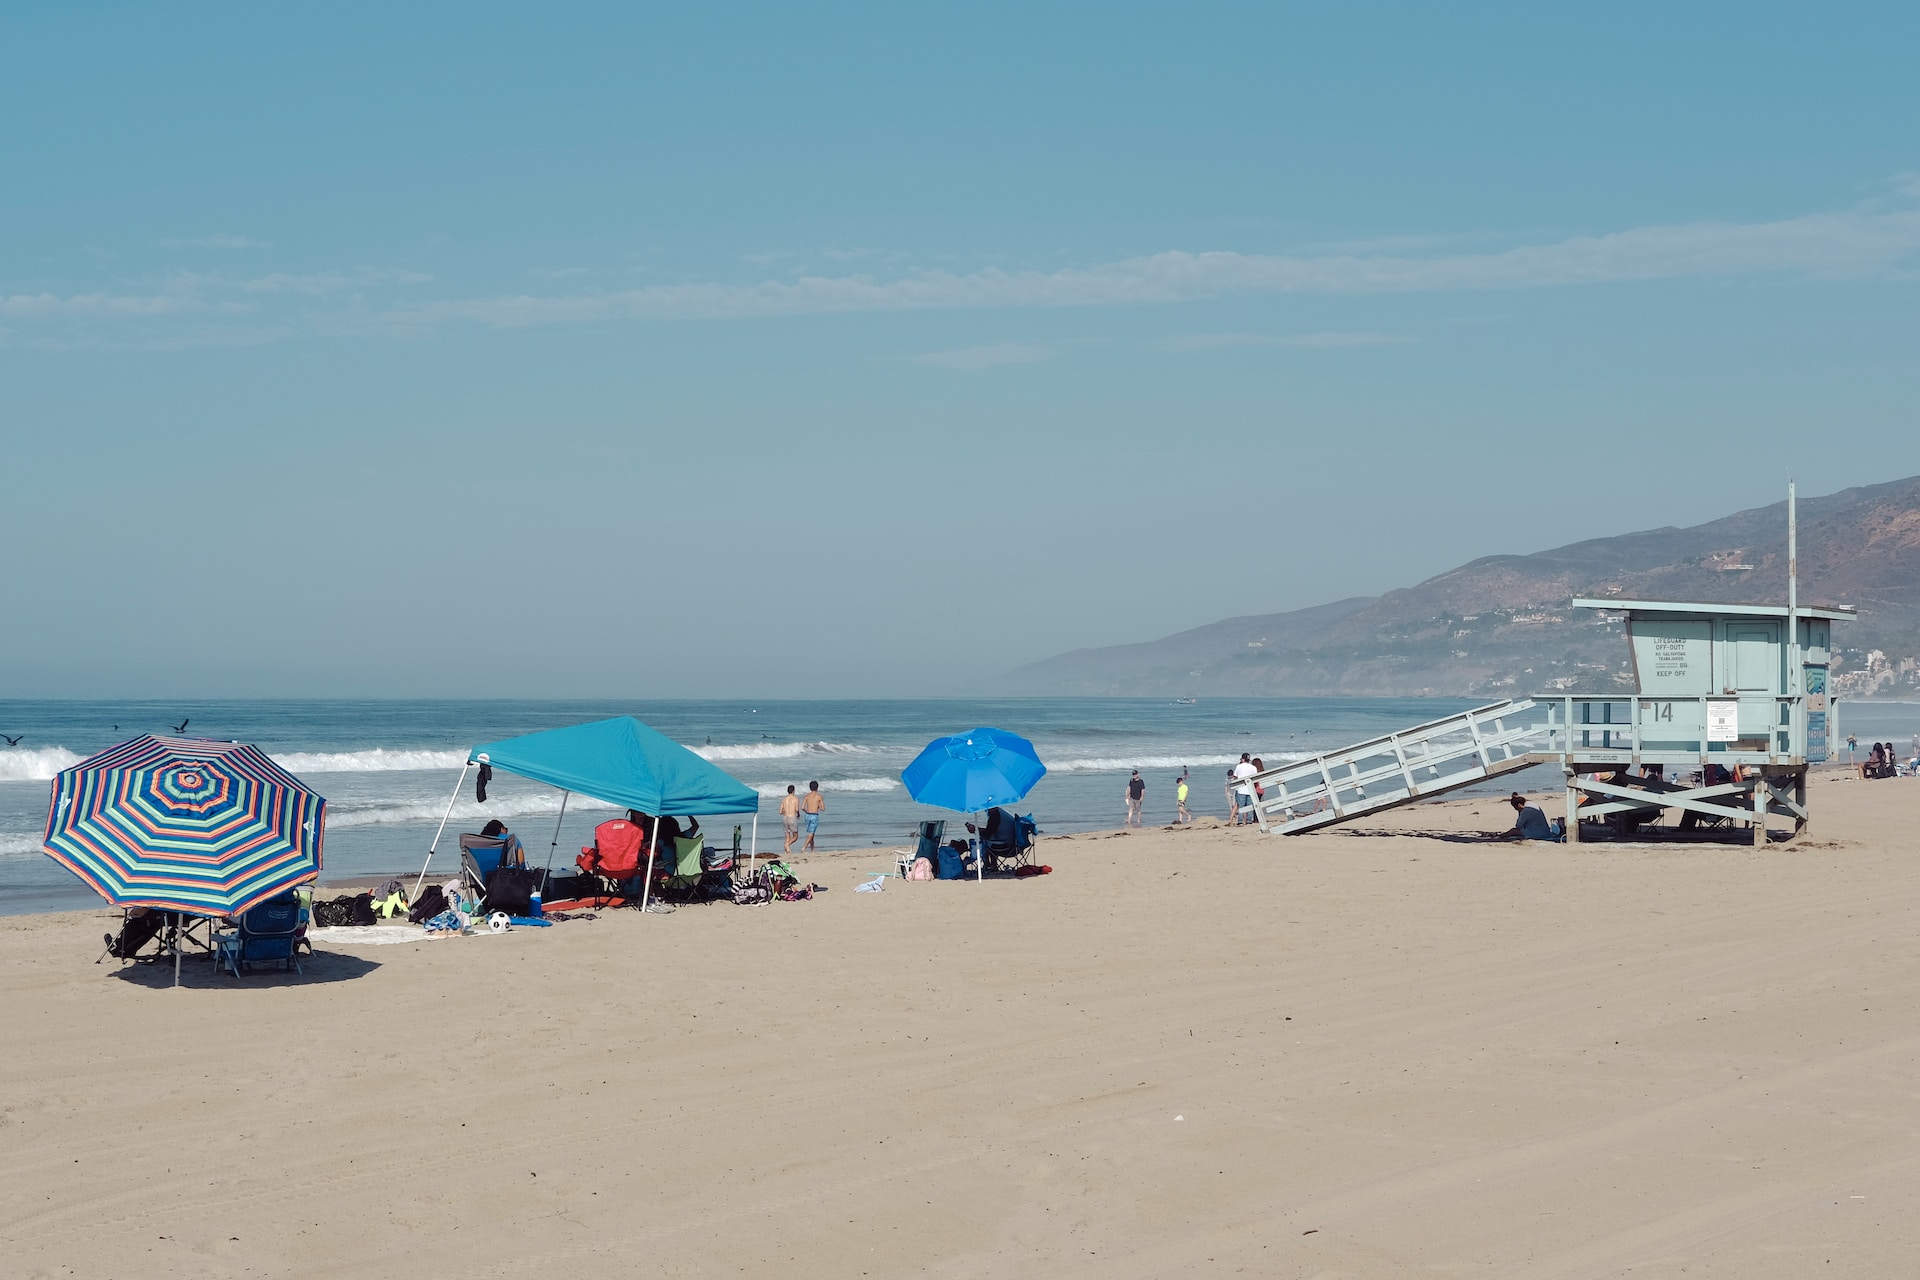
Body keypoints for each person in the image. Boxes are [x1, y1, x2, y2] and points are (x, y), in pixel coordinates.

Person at [800, 780, 825, 851]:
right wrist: (818, 807)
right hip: (814, 815)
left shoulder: (807, 796)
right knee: (811, 833)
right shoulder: (819, 796)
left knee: (811, 833)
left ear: (810, 788)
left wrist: (807, 811)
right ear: (817, 788)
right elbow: (823, 808)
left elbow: (802, 807)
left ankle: (812, 849)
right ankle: (804, 847)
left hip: (807, 815)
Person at [1233, 753, 1257, 824]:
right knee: (1250, 806)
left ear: (1243, 759)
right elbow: (1255, 778)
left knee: (1241, 806)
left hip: (1241, 789)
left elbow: (1235, 776)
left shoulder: (1239, 766)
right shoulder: (1253, 767)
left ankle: (1240, 821)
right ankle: (1249, 820)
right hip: (1250, 789)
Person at [779, 785, 801, 855]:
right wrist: (798, 814)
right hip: (792, 818)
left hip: (785, 818)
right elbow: (797, 809)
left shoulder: (784, 799)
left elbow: (780, 812)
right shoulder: (795, 799)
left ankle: (786, 851)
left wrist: (786, 811)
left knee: (787, 836)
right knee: (795, 836)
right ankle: (787, 845)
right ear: (793, 791)